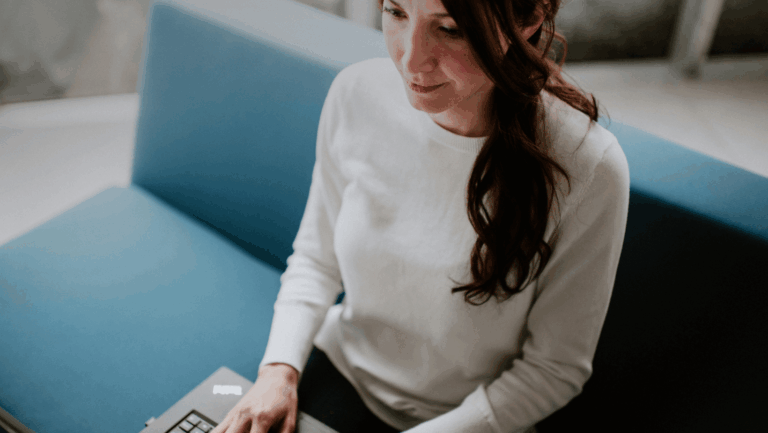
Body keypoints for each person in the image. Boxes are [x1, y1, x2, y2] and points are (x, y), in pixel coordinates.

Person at [212, 0, 630, 432]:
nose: (410, 60)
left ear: (528, 21)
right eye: (395, 12)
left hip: (466, 421)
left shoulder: (589, 168)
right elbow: (316, 260)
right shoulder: (356, 93)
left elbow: (553, 370)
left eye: (451, 29)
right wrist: (277, 372)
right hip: (342, 370)